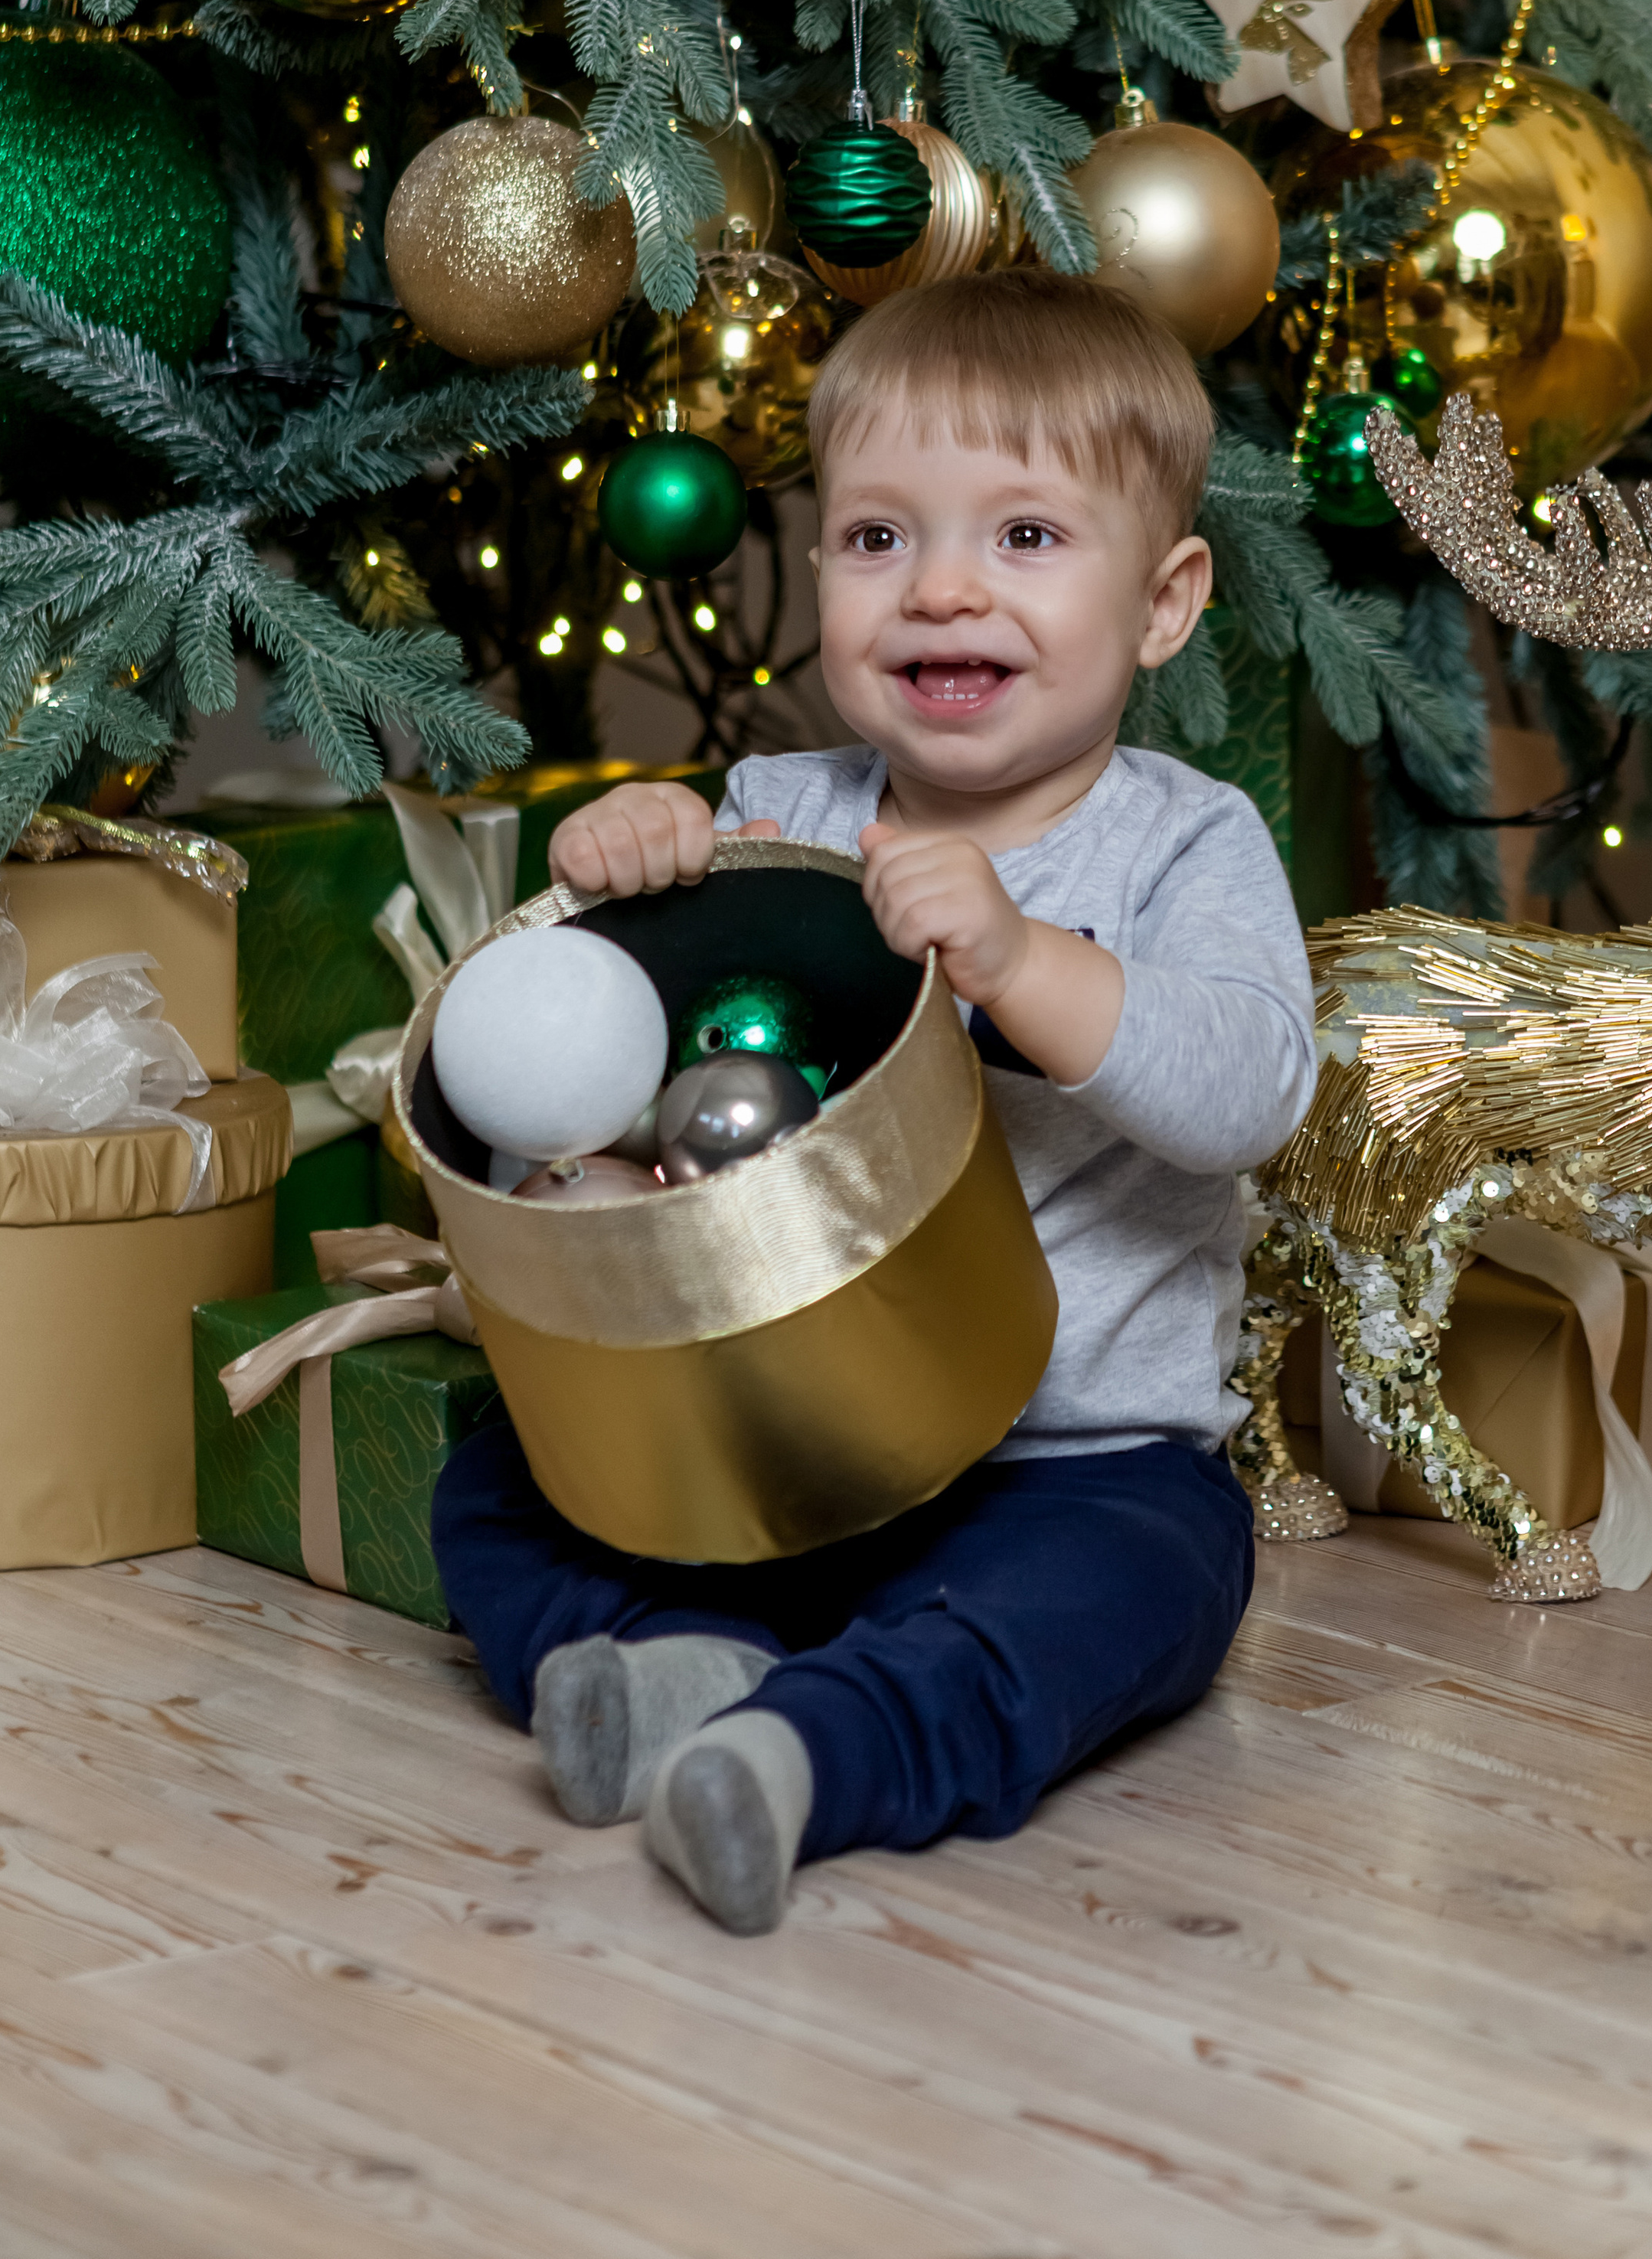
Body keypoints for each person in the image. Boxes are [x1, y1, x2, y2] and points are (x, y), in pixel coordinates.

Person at [432, 268, 1317, 1934]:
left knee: (1145, 1592)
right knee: (491, 1478)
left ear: (1164, 599)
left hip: (1075, 1461)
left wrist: (1022, 960)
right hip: (774, 1448)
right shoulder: (775, 809)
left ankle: (807, 1754)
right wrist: (621, 889)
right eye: (876, 540)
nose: (940, 593)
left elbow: (1247, 1092)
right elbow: (629, 1100)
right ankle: (655, 1675)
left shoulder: (1182, 842)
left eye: (1027, 540)